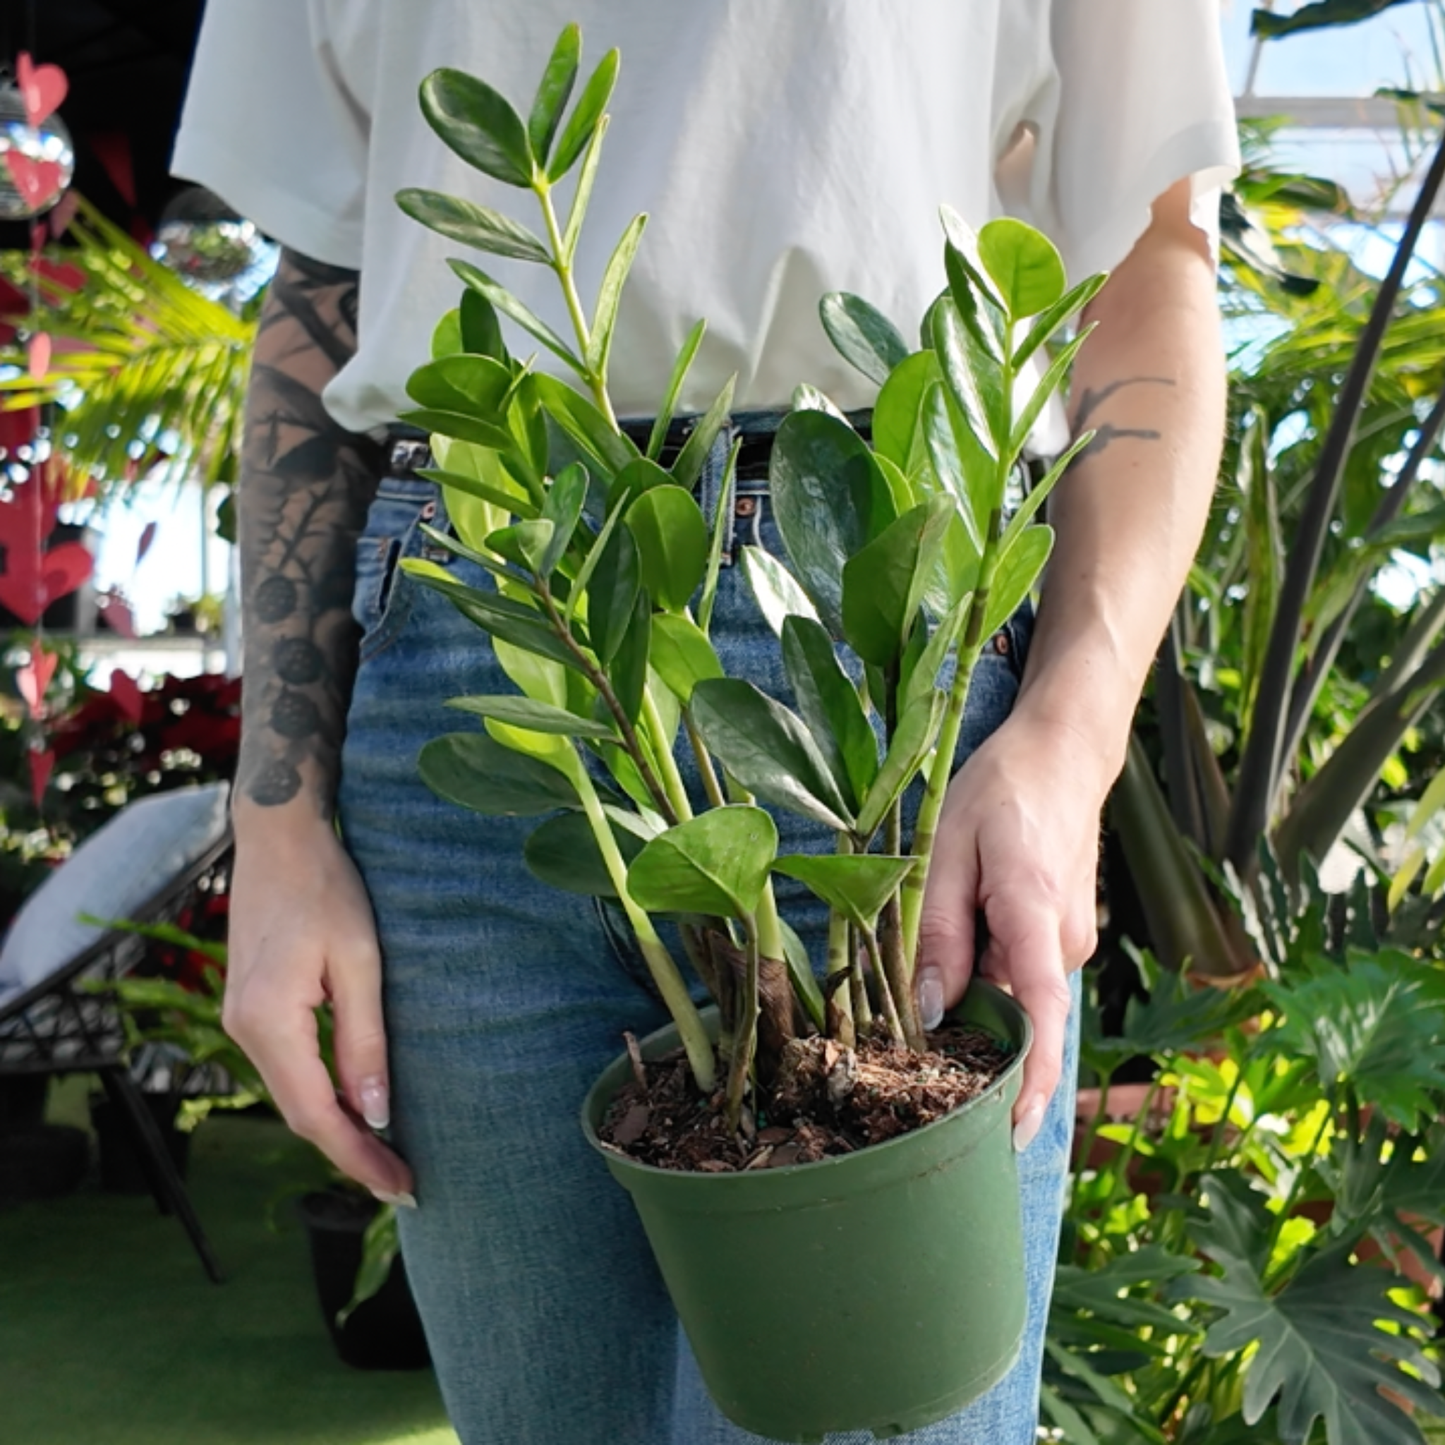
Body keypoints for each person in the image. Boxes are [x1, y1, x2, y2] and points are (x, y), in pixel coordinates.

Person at [173, 4, 1238, 1441]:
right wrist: (279, 817)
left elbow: (1145, 254)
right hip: (473, 631)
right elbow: (322, 292)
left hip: (862, 618)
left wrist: (1071, 732)